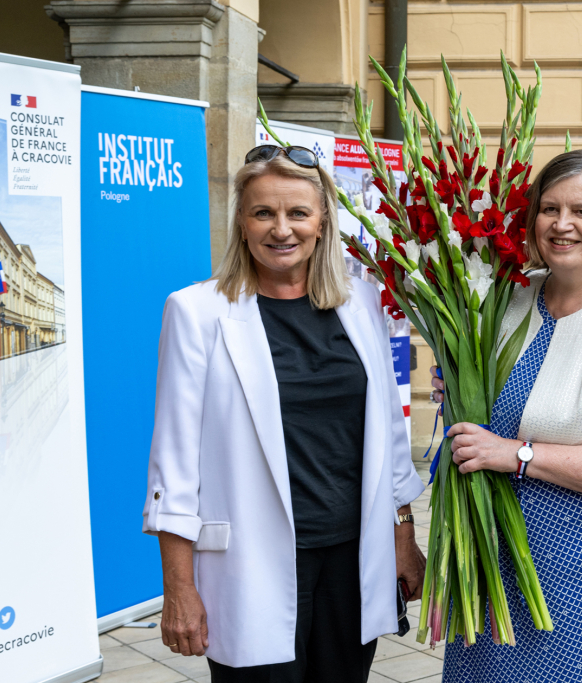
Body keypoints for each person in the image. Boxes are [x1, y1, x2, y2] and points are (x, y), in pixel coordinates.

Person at [142, 144, 426, 682]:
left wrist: (404, 537)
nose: (281, 229)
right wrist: (178, 589)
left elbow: (388, 438)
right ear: (242, 224)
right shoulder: (197, 313)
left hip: (351, 558)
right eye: (263, 212)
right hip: (251, 563)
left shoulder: (361, 305)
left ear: (322, 222)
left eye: (298, 212)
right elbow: (173, 467)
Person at [430, 149, 582, 682]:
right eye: (549, 209)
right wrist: (455, 383)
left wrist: (513, 454)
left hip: (573, 561)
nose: (562, 225)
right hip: (484, 547)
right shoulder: (507, 298)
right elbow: (477, 418)